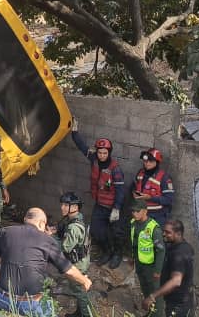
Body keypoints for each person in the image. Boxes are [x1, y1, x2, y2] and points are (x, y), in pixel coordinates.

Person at [0, 207, 92, 317]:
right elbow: (69, 270)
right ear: (41, 223)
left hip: (1, 297)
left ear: (25, 219)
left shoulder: (5, 232)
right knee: (49, 310)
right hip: (30, 303)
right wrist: (84, 280)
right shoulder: (47, 240)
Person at [71, 124, 126, 269]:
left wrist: (116, 209)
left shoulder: (115, 169)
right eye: (100, 152)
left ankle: (117, 255)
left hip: (113, 206)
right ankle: (107, 252)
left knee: (117, 233)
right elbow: (82, 147)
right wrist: (74, 132)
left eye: (104, 153)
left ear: (109, 153)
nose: (102, 155)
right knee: (96, 231)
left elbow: (120, 190)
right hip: (100, 205)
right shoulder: (94, 159)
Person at [142, 220, 193, 317]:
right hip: (174, 301)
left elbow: (176, 281)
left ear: (178, 234)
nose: (164, 234)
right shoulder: (175, 245)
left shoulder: (180, 253)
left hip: (179, 305)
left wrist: (152, 296)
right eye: (163, 231)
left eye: (168, 232)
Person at [54, 193, 94, 317]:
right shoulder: (75, 218)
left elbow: (65, 247)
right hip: (81, 260)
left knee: (80, 293)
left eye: (66, 205)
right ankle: (79, 313)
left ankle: (86, 315)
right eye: (62, 204)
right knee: (79, 291)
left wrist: (51, 238)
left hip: (78, 264)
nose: (62, 207)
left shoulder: (74, 227)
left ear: (75, 207)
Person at [131, 199, 165, 317]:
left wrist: (157, 270)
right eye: (133, 211)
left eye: (137, 211)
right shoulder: (133, 224)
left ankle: (158, 314)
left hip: (151, 266)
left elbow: (161, 250)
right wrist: (133, 259)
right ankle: (151, 312)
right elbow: (134, 244)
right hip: (140, 264)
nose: (134, 213)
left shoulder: (153, 228)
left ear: (145, 211)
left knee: (154, 292)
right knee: (145, 288)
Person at [131, 148, 174, 226]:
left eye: (150, 161)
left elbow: (168, 200)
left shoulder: (164, 178)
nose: (147, 163)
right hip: (140, 214)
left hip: (156, 217)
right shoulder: (140, 173)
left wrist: (150, 198)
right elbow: (133, 187)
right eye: (145, 161)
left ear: (157, 162)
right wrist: (134, 193)